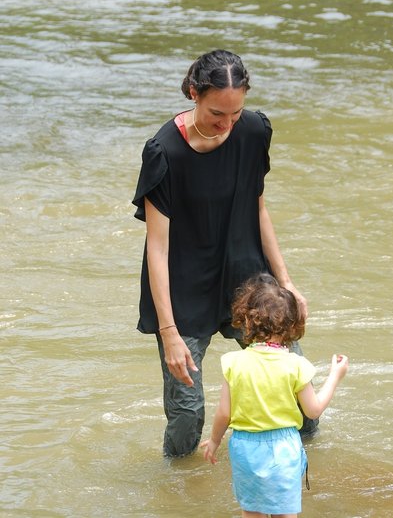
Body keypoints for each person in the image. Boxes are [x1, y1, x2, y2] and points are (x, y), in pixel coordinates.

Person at [132, 49, 317, 458]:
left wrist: (286, 284)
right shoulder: (164, 153)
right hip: (184, 292)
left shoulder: (253, 132)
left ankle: (307, 471)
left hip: (250, 283)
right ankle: (177, 490)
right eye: (218, 114)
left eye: (236, 114)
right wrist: (169, 332)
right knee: (187, 415)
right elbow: (157, 248)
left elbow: (259, 207)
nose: (227, 125)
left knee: (301, 400)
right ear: (193, 94)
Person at [200, 273, 349, 518]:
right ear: (292, 325)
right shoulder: (296, 365)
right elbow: (313, 411)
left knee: (252, 512)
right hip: (283, 448)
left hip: (245, 447)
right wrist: (335, 375)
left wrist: (215, 441)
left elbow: (224, 413)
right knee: (284, 514)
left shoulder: (233, 362)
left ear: (247, 320)